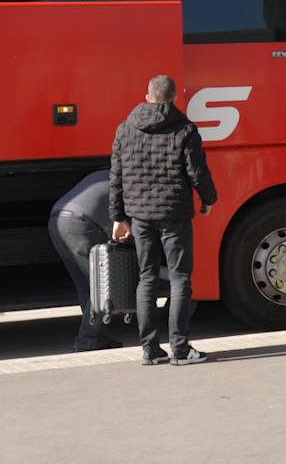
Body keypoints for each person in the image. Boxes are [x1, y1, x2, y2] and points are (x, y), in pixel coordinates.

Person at [110, 74, 217, 367]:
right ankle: (180, 350)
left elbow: (116, 178)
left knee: (147, 278)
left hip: (140, 216)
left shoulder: (125, 129)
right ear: (174, 99)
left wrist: (118, 217)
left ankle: (150, 350)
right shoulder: (185, 128)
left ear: (148, 98)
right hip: (174, 215)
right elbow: (197, 172)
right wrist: (208, 199)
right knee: (180, 279)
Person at [46, 169, 123, 352]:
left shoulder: (105, 174)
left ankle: (99, 336)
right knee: (101, 286)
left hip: (56, 219)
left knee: (85, 286)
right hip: (79, 223)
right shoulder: (129, 182)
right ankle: (87, 340)